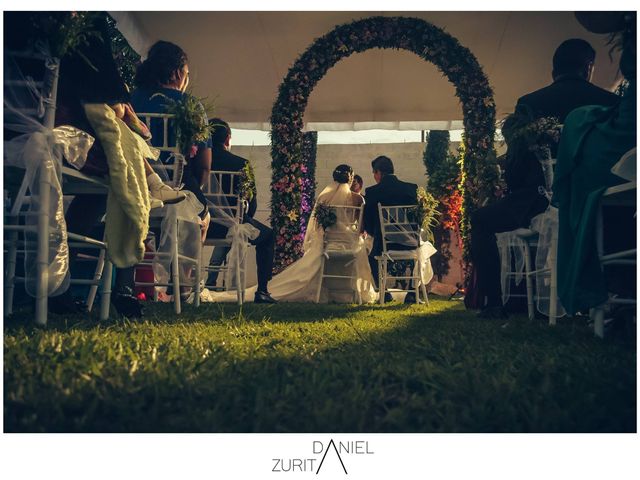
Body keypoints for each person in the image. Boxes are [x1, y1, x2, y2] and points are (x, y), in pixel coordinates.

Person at [469, 38, 619, 319]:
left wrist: (513, 190)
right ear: (589, 67)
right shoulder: (610, 102)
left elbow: (516, 162)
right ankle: (615, 296)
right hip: (597, 200)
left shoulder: (530, 103)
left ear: (554, 70)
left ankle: (495, 304)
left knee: (481, 220)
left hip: (536, 200)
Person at [552, 12, 636, 315]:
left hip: (627, 132)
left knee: (582, 177)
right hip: (627, 130)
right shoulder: (606, 98)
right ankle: (620, 281)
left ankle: (606, 281)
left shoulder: (531, 102)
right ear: (588, 67)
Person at [200, 164, 376, 303]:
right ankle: (352, 291)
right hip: (349, 243)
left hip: (328, 243)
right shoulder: (358, 199)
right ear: (351, 178)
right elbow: (359, 227)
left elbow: (317, 226)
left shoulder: (324, 197)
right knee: (360, 246)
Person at [205, 119, 277, 304]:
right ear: (228, 138)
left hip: (201, 226)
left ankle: (175, 283)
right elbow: (251, 205)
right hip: (232, 225)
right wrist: (241, 221)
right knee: (268, 237)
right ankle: (262, 291)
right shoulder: (241, 164)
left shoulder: (198, 161)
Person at [362, 156, 435, 304]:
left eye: (374, 173)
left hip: (384, 245)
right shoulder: (410, 188)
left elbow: (368, 223)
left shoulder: (372, 192)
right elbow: (417, 220)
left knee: (369, 254)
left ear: (378, 172)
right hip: (410, 243)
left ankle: (385, 293)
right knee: (420, 248)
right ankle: (411, 293)